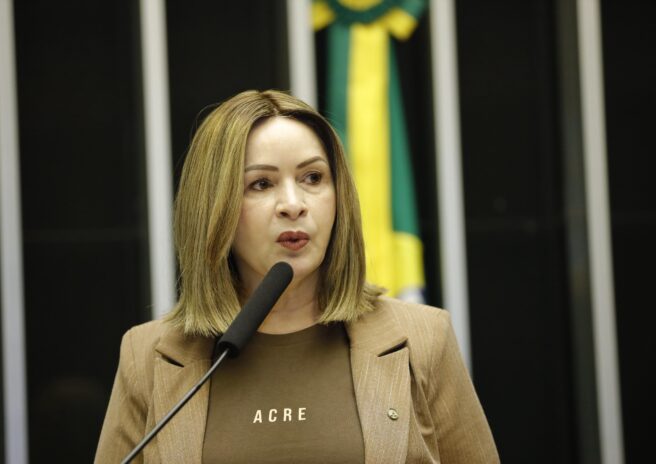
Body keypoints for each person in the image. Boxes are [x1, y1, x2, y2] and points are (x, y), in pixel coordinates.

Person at [95, 90, 499, 463]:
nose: (293, 204)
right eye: (261, 184)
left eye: (312, 178)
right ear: (213, 208)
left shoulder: (424, 339)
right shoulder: (147, 356)